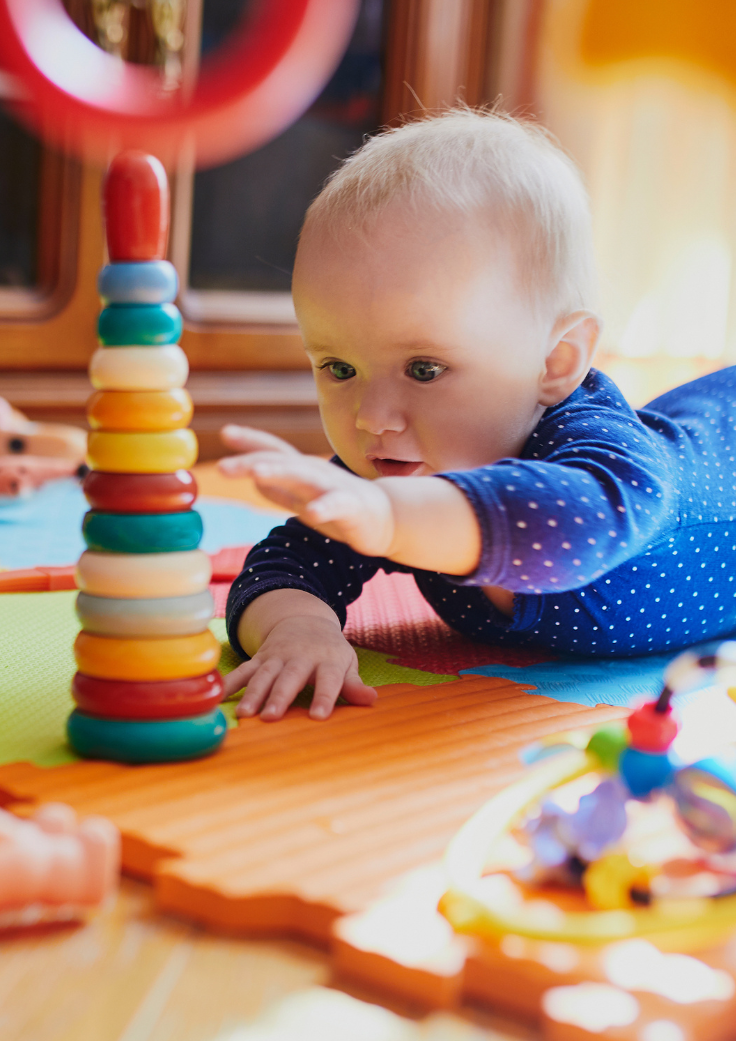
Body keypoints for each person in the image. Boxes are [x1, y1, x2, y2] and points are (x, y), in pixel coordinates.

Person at [220, 108, 736, 723]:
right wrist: (297, 628)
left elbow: (577, 524)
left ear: (554, 362)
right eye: (339, 367)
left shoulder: (608, 463)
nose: (372, 418)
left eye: (424, 369)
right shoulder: (391, 474)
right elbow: (283, 565)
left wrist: (390, 519)